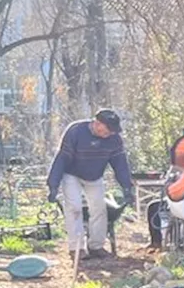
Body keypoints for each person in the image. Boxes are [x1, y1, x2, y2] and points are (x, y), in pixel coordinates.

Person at [46, 109, 134, 258]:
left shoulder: (114, 140)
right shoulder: (76, 131)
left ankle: (96, 246)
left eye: (114, 130)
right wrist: (53, 185)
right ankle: (76, 248)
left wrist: (126, 186)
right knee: (74, 208)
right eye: (108, 129)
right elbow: (62, 158)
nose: (111, 133)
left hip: (94, 176)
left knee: (99, 209)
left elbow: (120, 165)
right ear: (97, 123)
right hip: (71, 174)